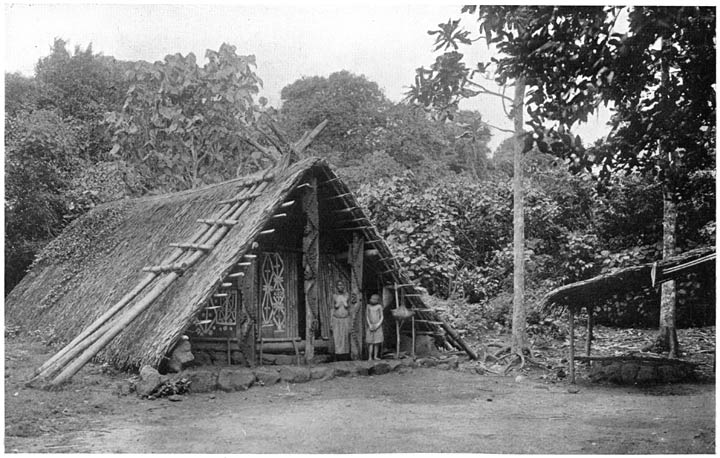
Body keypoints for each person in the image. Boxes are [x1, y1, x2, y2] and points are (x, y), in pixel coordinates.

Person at [331, 280, 351, 360]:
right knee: (337, 337)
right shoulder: (334, 296)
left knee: (345, 337)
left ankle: (346, 356)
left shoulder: (347, 296)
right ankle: (337, 356)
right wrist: (331, 322)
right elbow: (332, 309)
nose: (341, 287)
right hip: (336, 319)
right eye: (339, 285)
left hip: (345, 319)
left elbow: (349, 307)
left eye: (342, 285)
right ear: (337, 287)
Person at [365, 293, 384, 360]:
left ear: (377, 300)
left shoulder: (379, 306)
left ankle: (375, 356)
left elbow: (381, 317)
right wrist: (369, 324)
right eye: (371, 298)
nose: (371, 300)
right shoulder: (368, 306)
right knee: (370, 342)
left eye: (373, 299)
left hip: (377, 326)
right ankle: (370, 357)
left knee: (377, 342)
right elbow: (367, 316)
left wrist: (378, 324)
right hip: (370, 326)